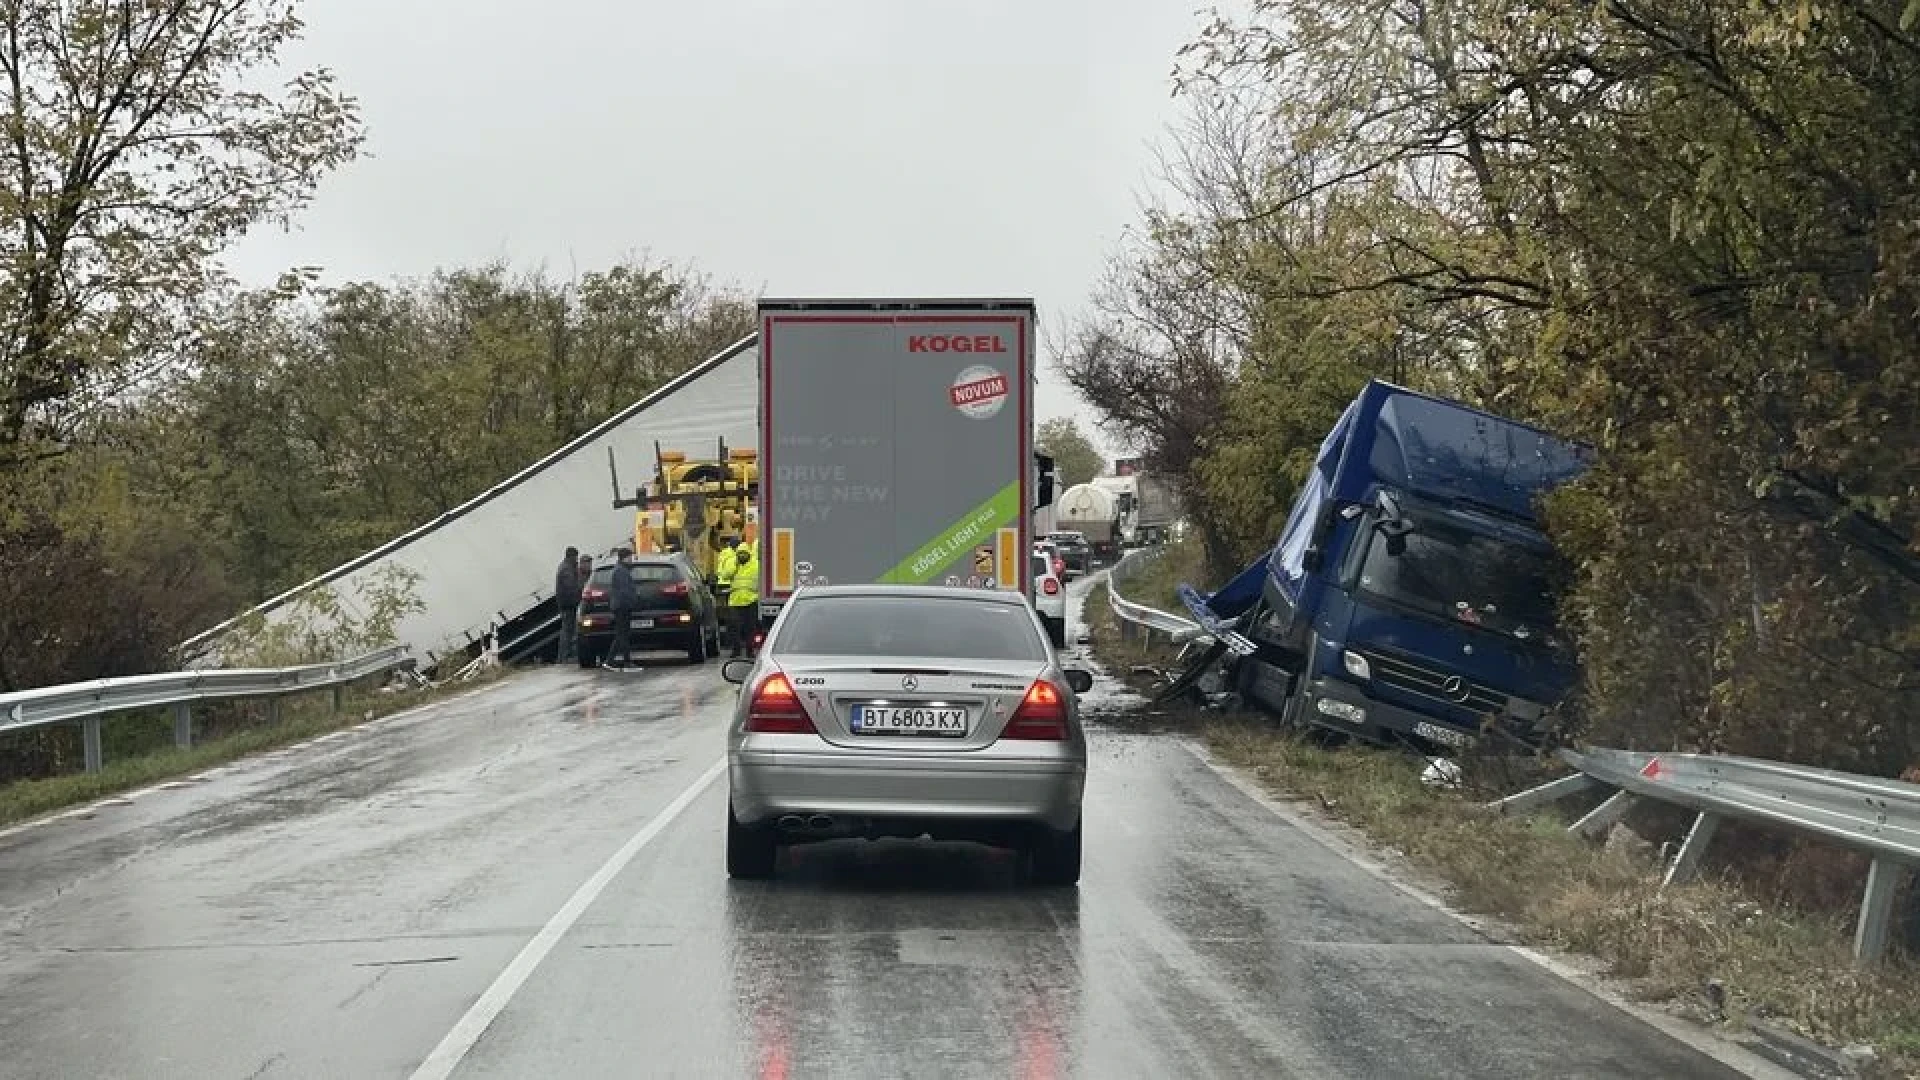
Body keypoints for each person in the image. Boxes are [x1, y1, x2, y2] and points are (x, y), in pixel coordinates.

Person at [605, 547, 641, 671]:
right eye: (630, 557)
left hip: (620, 606)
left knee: (622, 634)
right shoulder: (621, 571)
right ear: (624, 558)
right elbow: (625, 591)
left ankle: (611, 661)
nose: (631, 559)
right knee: (623, 635)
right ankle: (625, 662)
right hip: (622, 607)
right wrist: (633, 602)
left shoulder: (621, 570)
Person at [728, 537, 761, 657]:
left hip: (751, 600)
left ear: (748, 554)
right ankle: (736, 650)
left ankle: (749, 651)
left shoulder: (756, 564)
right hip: (735, 601)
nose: (741, 556)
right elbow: (726, 574)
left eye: (744, 554)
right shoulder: (734, 563)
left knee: (750, 628)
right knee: (734, 627)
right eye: (739, 554)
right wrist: (734, 565)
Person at [554, 546, 582, 663]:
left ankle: (562, 657)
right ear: (571, 556)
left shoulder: (565, 566)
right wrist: (578, 595)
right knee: (568, 630)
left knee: (567, 630)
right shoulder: (567, 569)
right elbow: (571, 587)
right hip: (568, 604)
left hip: (566, 603)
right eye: (576, 557)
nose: (577, 560)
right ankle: (564, 657)